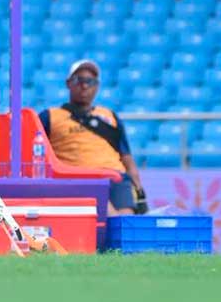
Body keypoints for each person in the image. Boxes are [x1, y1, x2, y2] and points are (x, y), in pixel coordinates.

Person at [38, 59, 145, 216]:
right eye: (79, 80)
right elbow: (35, 151)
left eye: (90, 81)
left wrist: (139, 190)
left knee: (125, 223)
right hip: (79, 178)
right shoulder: (50, 116)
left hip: (116, 177)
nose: (85, 85)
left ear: (97, 86)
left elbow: (126, 157)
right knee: (109, 216)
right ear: (68, 83)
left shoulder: (109, 116)